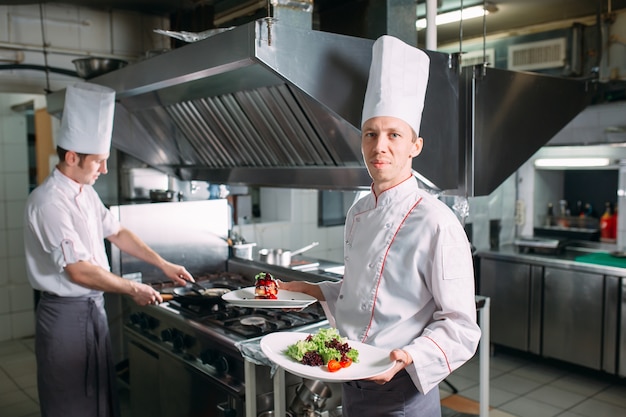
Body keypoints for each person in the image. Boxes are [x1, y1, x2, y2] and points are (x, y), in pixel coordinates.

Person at [280, 35, 481, 416]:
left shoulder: (436, 221)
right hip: (354, 380)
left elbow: (461, 325)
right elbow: (366, 293)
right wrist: (312, 290)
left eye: (393, 135)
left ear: (414, 146)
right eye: (371, 133)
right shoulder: (358, 212)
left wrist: (408, 356)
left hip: (402, 393)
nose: (379, 147)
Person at [23, 82, 194, 417]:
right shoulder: (48, 203)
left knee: (100, 398)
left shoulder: (85, 192)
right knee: (70, 404)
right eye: (98, 162)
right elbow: (78, 270)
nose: (103, 169)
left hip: (92, 311)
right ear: (72, 157)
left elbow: (117, 232)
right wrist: (133, 288)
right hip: (65, 318)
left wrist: (163, 264)